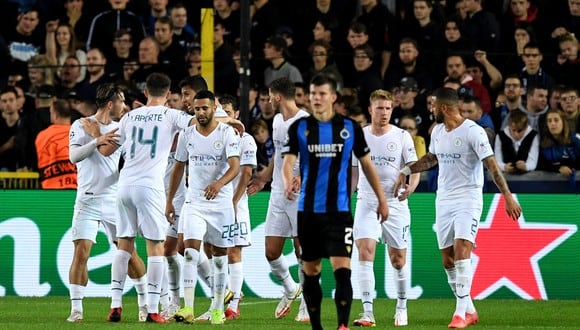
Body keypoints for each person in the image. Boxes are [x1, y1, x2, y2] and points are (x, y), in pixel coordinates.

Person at [394, 87, 522, 328]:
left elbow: (492, 166)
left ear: (444, 108)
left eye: (433, 106)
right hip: (443, 198)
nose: (430, 110)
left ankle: (460, 314)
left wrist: (508, 196)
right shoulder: (438, 131)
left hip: (468, 197)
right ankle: (469, 308)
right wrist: (407, 169)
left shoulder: (474, 132)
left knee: (463, 248)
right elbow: (432, 159)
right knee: (448, 260)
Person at [281, 74, 389, 330]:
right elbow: (288, 162)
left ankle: (342, 325)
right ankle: (317, 326)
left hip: (339, 213)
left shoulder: (350, 128)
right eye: (312, 93)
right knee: (311, 271)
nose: (316, 98)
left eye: (321, 94)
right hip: (307, 212)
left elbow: (367, 165)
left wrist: (382, 199)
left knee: (342, 269)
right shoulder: (299, 128)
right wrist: (288, 181)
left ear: (333, 97)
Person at [106, 73, 196, 323]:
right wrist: (229, 122)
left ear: (145, 92)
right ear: (168, 95)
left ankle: (115, 305)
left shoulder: (129, 117)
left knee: (124, 245)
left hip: (124, 185)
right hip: (150, 187)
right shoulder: (171, 115)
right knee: (155, 249)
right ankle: (153, 309)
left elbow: (110, 147)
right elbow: (198, 121)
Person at [66, 83, 147, 323]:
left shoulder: (121, 127)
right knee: (81, 252)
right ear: (111, 103)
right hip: (87, 199)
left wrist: (96, 137)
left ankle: (145, 304)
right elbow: (73, 157)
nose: (124, 106)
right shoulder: (79, 124)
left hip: (114, 199)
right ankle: (76, 310)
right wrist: (95, 139)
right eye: (122, 101)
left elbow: (105, 152)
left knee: (129, 253)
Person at [165, 90, 240, 325]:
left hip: (221, 205)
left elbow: (235, 167)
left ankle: (217, 307)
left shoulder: (227, 133)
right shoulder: (187, 133)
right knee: (189, 252)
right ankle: (187, 307)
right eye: (197, 109)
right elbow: (178, 167)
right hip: (194, 202)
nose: (200, 113)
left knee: (219, 259)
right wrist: (169, 200)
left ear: (213, 108)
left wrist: (219, 184)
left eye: (204, 108)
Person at [351, 90, 420, 327]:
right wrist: (346, 196)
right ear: (370, 110)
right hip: (367, 201)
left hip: (395, 203)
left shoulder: (402, 136)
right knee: (365, 251)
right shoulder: (358, 136)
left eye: (388, 108)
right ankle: (367, 312)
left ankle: (401, 306)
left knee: (398, 260)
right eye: (380, 108)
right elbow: (353, 170)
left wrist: (411, 188)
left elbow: (414, 167)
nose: (384, 113)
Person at [246, 77, 310, 322]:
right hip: (277, 192)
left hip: (299, 194)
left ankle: (306, 305)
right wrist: (263, 178)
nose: (269, 100)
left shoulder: (304, 122)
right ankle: (291, 288)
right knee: (271, 252)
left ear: (278, 96)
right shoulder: (276, 121)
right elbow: (279, 155)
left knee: (302, 250)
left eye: (270, 96)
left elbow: (314, 158)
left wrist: (302, 178)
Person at [220, 95, 257, 320]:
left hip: (235, 203)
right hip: (213, 204)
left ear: (236, 115)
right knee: (211, 251)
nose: (224, 117)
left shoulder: (246, 140)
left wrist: (234, 200)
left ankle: (233, 304)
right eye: (220, 113)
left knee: (234, 251)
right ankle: (227, 292)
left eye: (227, 112)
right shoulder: (215, 136)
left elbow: (247, 172)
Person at [35, 99, 77, 189]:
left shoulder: (42, 136)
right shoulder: (81, 134)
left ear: (55, 115)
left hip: (51, 189)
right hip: (78, 188)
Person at [494, 109, 539, 174]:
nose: (516, 134)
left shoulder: (533, 135)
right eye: (513, 130)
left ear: (526, 127)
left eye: (519, 131)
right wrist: (504, 167)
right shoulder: (500, 136)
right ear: (509, 126)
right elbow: (497, 161)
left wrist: (526, 166)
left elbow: (533, 162)